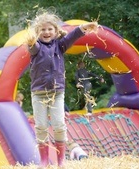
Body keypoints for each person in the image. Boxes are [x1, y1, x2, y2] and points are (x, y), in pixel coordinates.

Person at [25, 9, 98, 168]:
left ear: (56, 31)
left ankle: (61, 161)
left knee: (59, 125)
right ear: (38, 32)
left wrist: (85, 27)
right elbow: (32, 46)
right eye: (42, 29)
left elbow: (73, 36)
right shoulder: (37, 48)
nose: (46, 32)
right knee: (41, 126)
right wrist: (31, 40)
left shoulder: (60, 45)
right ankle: (44, 161)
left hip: (57, 93)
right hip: (39, 94)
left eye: (50, 29)